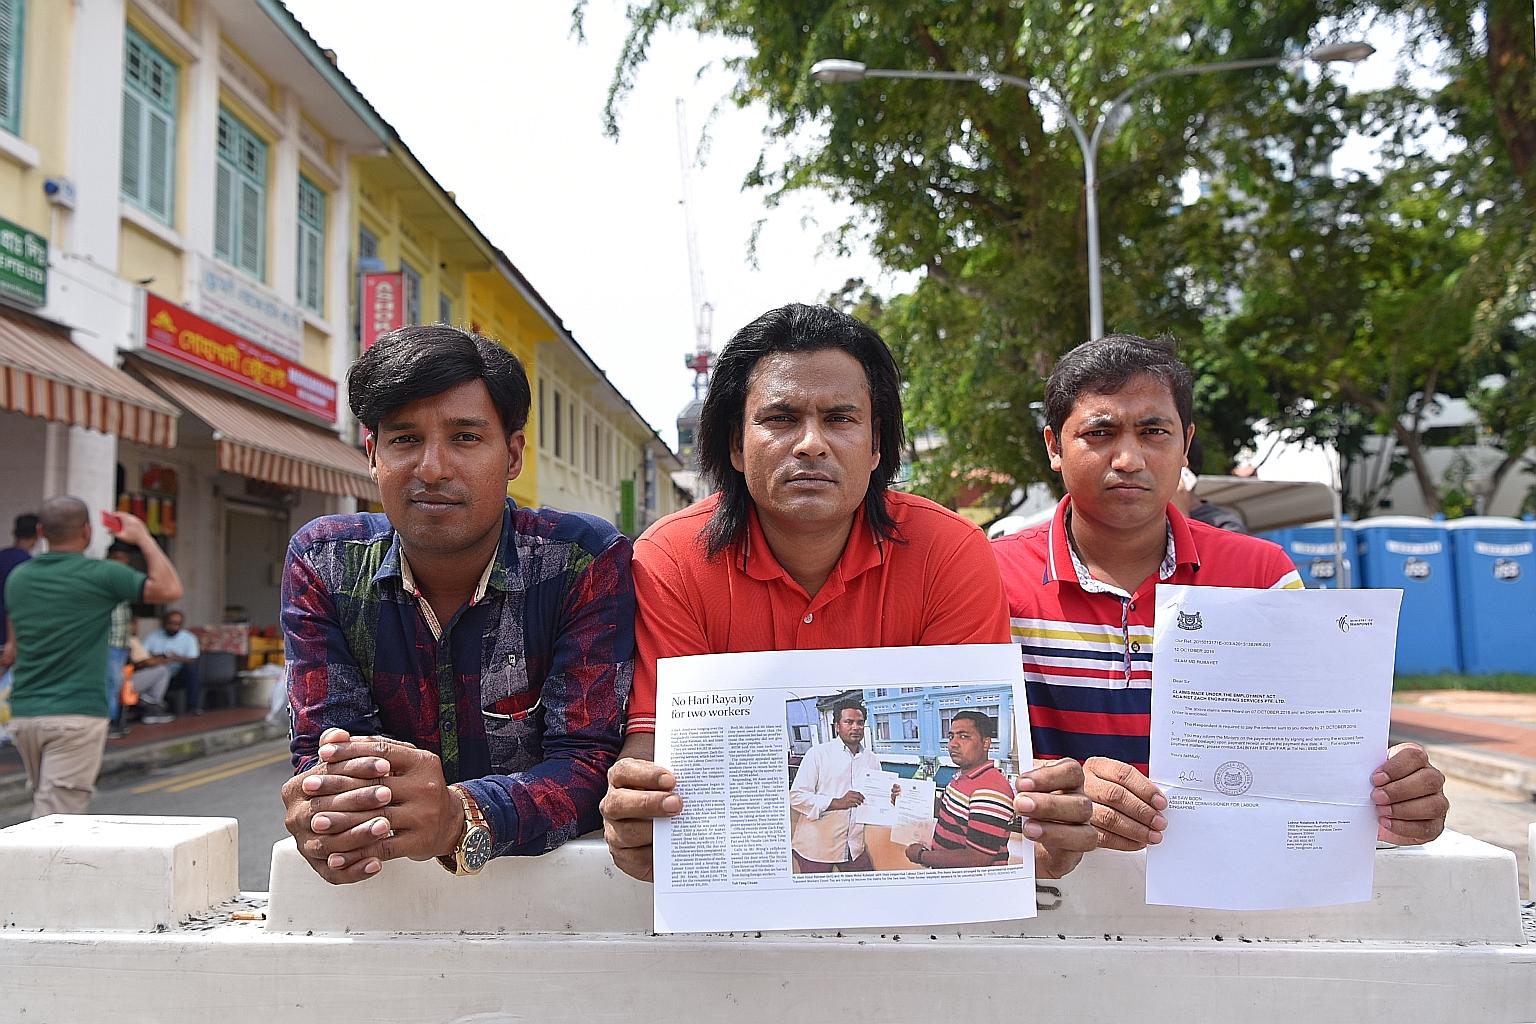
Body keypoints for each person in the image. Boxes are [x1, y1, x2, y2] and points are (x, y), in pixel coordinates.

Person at [600, 303, 1094, 882]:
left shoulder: (951, 553)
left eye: (840, 419)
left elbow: (973, 736)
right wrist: (637, 804)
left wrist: (1035, 829)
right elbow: (655, 743)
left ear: (877, 445)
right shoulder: (671, 560)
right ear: (736, 446)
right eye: (781, 418)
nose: (811, 444)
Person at [990, 333, 1450, 852]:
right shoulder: (990, 578)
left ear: (1185, 444)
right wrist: (1057, 793)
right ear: (1054, 447)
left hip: (1233, 891)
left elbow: (1312, 747)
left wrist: (1393, 793)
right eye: (1100, 432)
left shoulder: (1262, 575)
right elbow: (961, 753)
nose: (1128, 458)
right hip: (1055, 903)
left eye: (1153, 431)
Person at [278, 324, 633, 885]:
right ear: (373, 455)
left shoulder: (581, 560)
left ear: (512, 455)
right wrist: (329, 800)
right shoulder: (325, 562)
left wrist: (458, 815)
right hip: (387, 894)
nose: (433, 468)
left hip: (558, 895)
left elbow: (590, 765)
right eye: (404, 439)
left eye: (466, 437)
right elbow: (325, 746)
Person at [1, 499, 182, 816]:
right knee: (58, 819)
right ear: (86, 531)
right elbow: (168, 589)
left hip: (26, 714)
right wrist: (142, 536)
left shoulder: (19, 578)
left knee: (46, 804)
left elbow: (12, 649)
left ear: (42, 532)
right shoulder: (101, 575)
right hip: (76, 712)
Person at [904, 710, 1015, 869]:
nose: (952, 744)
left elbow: (976, 858)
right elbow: (947, 811)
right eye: (951, 736)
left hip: (971, 887)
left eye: (964, 736)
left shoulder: (991, 790)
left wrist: (921, 856)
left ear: (985, 743)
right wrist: (907, 798)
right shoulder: (963, 775)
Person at [788, 701, 884, 873]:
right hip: (816, 848)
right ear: (837, 726)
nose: (855, 727)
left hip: (854, 847)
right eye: (849, 722)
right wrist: (836, 802)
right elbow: (795, 797)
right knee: (818, 897)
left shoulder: (872, 760)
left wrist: (890, 797)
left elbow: (875, 801)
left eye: (860, 722)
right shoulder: (817, 754)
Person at [0, 512, 40, 744]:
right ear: (37, 535)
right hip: (13, 637)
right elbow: (16, 606)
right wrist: (13, 643)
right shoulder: (27, 566)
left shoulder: (2, 557)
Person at [104, 544, 138, 737]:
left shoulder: (123, 583)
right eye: (118, 557)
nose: (123, 562)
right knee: (112, 682)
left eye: (125, 559)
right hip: (108, 643)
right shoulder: (106, 581)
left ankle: (116, 720)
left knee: (118, 683)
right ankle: (110, 722)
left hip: (121, 643)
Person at [143, 610, 202, 715]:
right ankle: (150, 708)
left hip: (177, 675)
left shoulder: (188, 638)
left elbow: (193, 659)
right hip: (157, 672)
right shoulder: (153, 636)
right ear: (164, 623)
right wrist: (160, 658)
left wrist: (176, 658)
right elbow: (142, 657)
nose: (174, 627)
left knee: (192, 669)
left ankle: (193, 707)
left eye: (177, 624)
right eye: (171, 623)